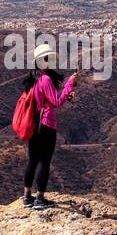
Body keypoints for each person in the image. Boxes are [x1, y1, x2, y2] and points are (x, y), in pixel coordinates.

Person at [22, 43, 77, 209]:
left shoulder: (34, 77)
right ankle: (40, 199)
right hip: (46, 125)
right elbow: (56, 102)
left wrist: (66, 94)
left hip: (34, 125)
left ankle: (27, 196)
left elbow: (47, 100)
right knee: (44, 161)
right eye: (49, 58)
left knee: (32, 160)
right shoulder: (45, 79)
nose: (52, 60)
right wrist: (70, 84)